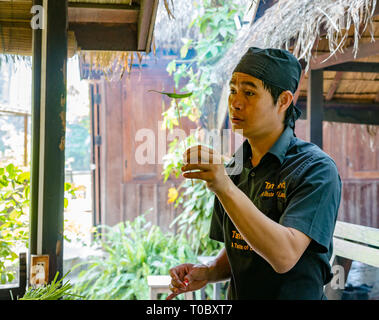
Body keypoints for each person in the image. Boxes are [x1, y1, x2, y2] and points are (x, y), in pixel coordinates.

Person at [167, 47, 342, 300]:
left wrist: (224, 187)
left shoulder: (316, 169)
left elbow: (284, 255)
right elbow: (243, 243)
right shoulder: (235, 168)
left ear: (283, 101)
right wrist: (209, 272)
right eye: (233, 91)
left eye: (249, 93)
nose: (235, 103)